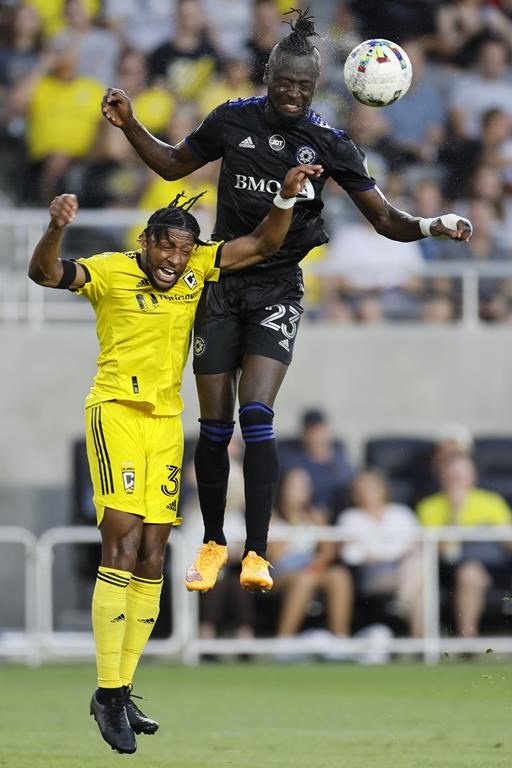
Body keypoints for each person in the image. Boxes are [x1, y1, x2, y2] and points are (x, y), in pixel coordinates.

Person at [101, 8, 473, 597]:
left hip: (278, 287)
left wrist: (432, 223)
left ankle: (256, 552)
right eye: (284, 83)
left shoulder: (329, 141)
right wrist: (129, 125)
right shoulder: (232, 119)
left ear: (317, 84)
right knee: (216, 426)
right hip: (222, 283)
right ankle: (213, 542)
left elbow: (385, 221)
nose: (294, 94)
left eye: (304, 85)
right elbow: (173, 164)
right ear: (268, 77)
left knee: (257, 415)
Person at [27, 162, 319, 754]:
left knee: (156, 554)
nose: (175, 260)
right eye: (166, 247)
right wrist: (54, 227)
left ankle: (122, 686)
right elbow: (46, 273)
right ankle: (107, 692)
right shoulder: (109, 272)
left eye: (185, 251)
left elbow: (263, 243)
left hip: (164, 424)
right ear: (146, 243)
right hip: (115, 413)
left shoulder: (196, 270)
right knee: (123, 539)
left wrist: (285, 197)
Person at [417, 453, 512, 638]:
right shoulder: (429, 506)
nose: (455, 481)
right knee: (469, 573)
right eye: (451, 476)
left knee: (472, 572)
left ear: (472, 477)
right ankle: (468, 640)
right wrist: (455, 512)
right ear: (442, 477)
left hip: (495, 567)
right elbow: (441, 552)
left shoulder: (492, 502)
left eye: (460, 476)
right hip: (449, 569)